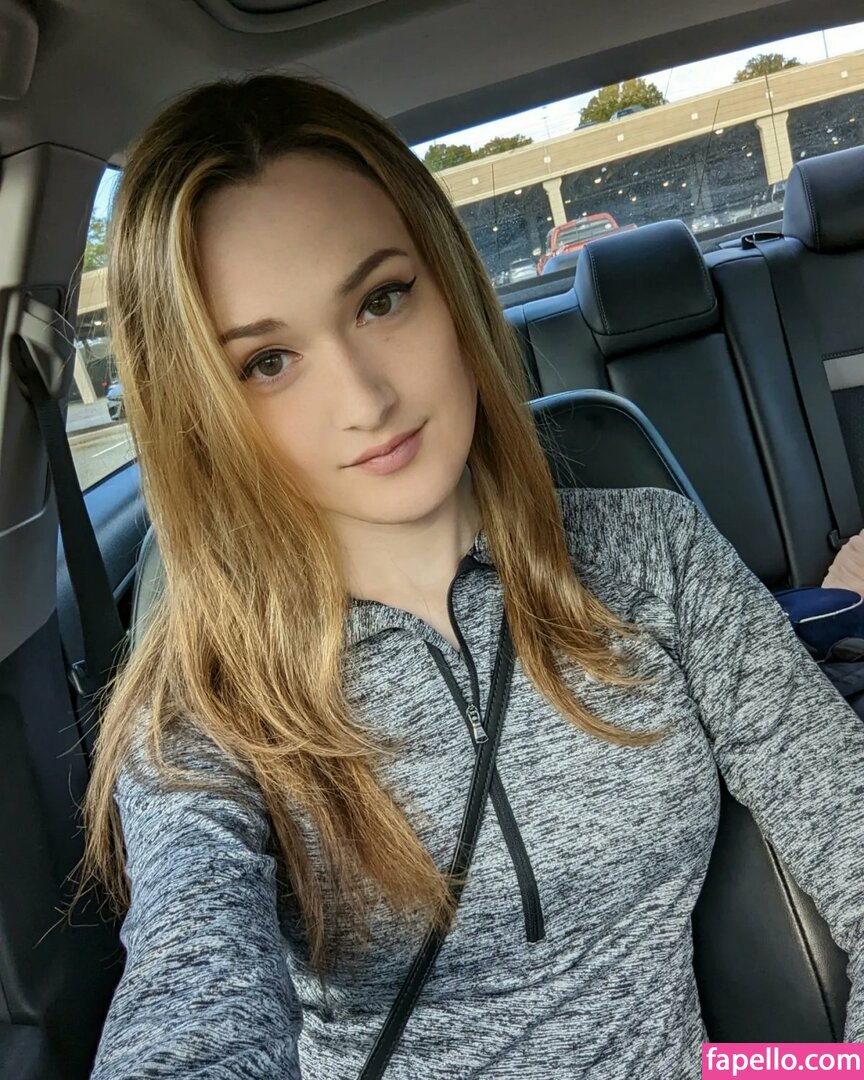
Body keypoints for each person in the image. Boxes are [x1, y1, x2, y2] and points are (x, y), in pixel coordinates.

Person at [80, 72, 864, 1080]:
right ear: (200, 413)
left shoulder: (655, 555)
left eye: (381, 299)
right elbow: (191, 987)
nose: (364, 398)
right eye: (267, 362)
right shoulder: (204, 709)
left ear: (451, 288)